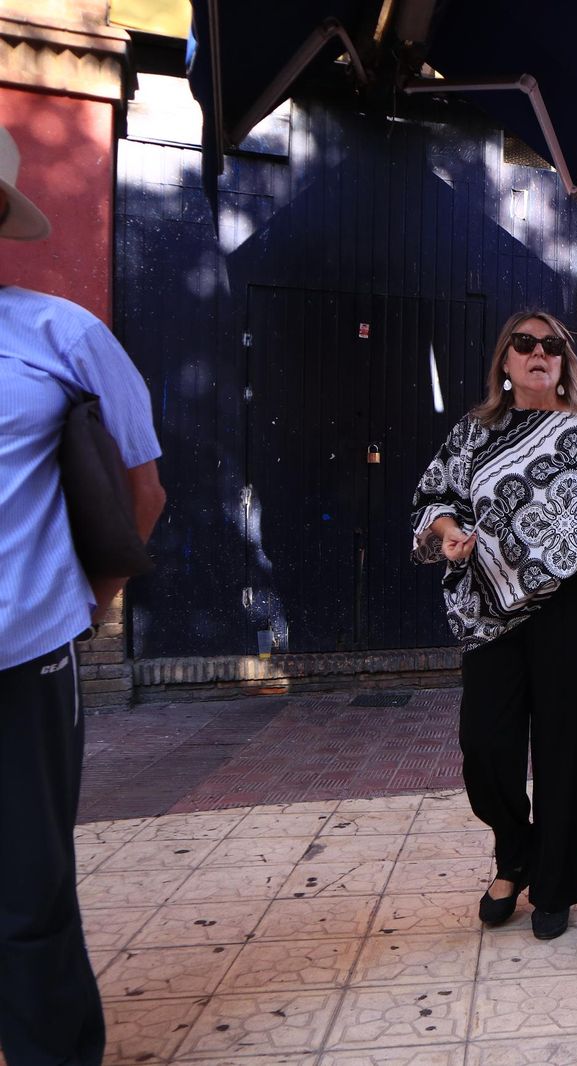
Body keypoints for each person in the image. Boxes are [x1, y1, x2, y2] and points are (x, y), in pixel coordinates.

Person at [0, 125, 167, 1066]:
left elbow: (144, 488)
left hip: (23, 654)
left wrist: (90, 600)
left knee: (28, 894)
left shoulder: (60, 334)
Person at [411, 310, 577, 942]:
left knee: (567, 751)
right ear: (505, 362)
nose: (538, 353)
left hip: (571, 608)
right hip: (490, 609)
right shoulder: (471, 435)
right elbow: (434, 500)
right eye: (525, 344)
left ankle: (556, 882)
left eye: (552, 347)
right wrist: (448, 532)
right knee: (486, 747)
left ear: (564, 363)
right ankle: (514, 854)